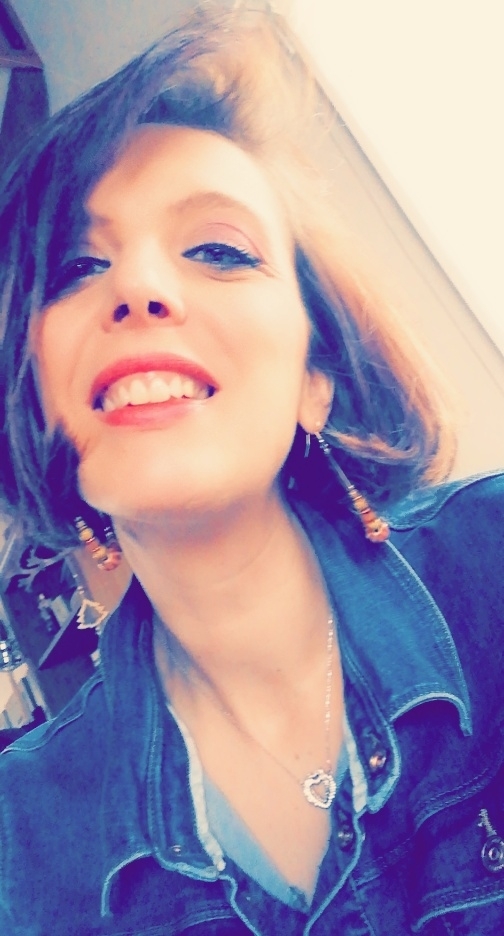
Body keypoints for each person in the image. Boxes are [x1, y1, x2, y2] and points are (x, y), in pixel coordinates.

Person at [0, 2, 503, 934]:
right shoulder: (19, 848)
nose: (138, 286)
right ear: (39, 406)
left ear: (316, 378)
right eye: (74, 266)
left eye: (219, 250)